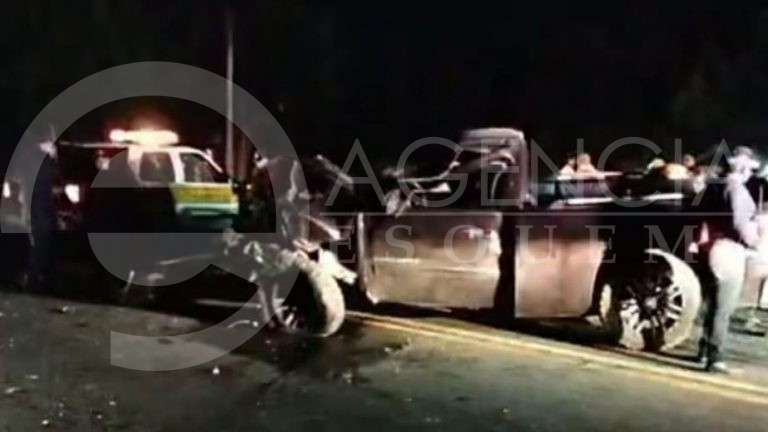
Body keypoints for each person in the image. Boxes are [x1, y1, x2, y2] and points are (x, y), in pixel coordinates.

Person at [699, 146, 760, 373]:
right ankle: (715, 357)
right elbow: (739, 224)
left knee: (712, 304)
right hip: (729, 250)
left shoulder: (712, 187)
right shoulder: (736, 190)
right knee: (723, 307)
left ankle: (704, 350)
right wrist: (754, 241)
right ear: (742, 168)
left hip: (709, 247)